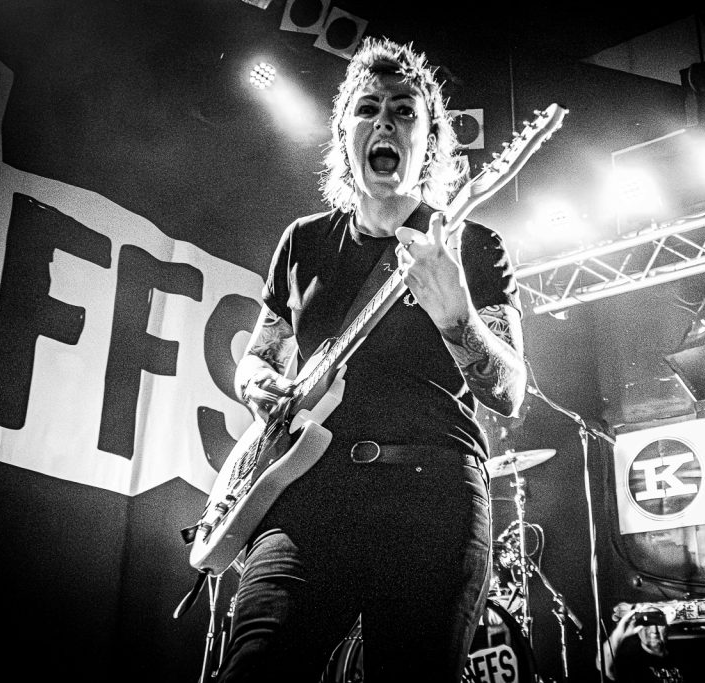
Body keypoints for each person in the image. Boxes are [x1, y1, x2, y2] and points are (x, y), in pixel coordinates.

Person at [215, 36, 526, 683]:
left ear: (429, 142)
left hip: (432, 493)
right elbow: (259, 355)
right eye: (368, 108)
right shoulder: (302, 242)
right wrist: (259, 383)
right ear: (344, 133)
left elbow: (509, 392)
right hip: (309, 493)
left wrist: (457, 317)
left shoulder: (471, 245)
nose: (385, 121)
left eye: (404, 110)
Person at [598, 604, 684, 682]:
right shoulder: (631, 661)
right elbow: (603, 666)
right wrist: (619, 634)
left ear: (667, 627)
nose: (654, 631)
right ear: (637, 628)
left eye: (659, 623)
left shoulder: (681, 653)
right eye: (647, 624)